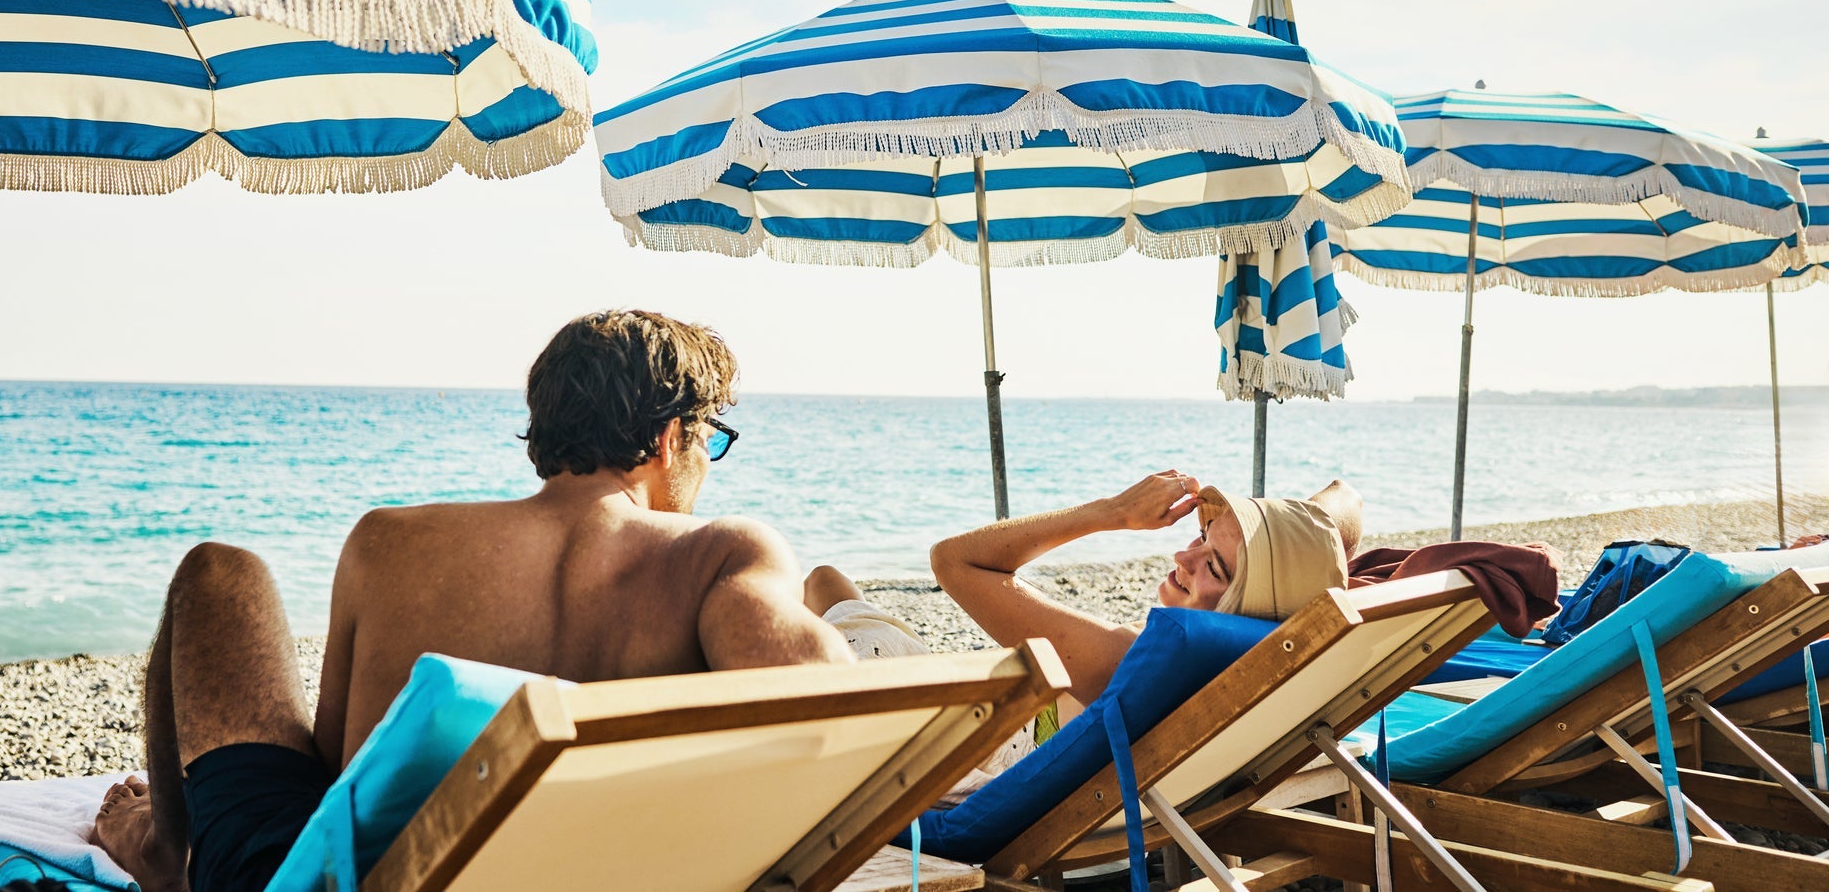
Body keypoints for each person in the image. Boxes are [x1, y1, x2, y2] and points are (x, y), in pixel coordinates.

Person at [92, 310, 850, 892]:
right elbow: (834, 713)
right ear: (667, 439)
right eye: (708, 441)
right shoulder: (716, 555)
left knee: (218, 573)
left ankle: (166, 850)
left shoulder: (385, 541)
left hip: (333, 876)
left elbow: (332, 775)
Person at [806, 472, 1359, 713]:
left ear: (1251, 604)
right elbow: (1344, 500)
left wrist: (1112, 513)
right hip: (985, 718)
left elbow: (952, 560)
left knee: (811, 580)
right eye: (1199, 536)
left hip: (951, 748)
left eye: (1212, 564)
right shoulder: (1263, 655)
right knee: (826, 583)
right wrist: (1297, 536)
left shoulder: (1133, 660)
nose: (1181, 557)